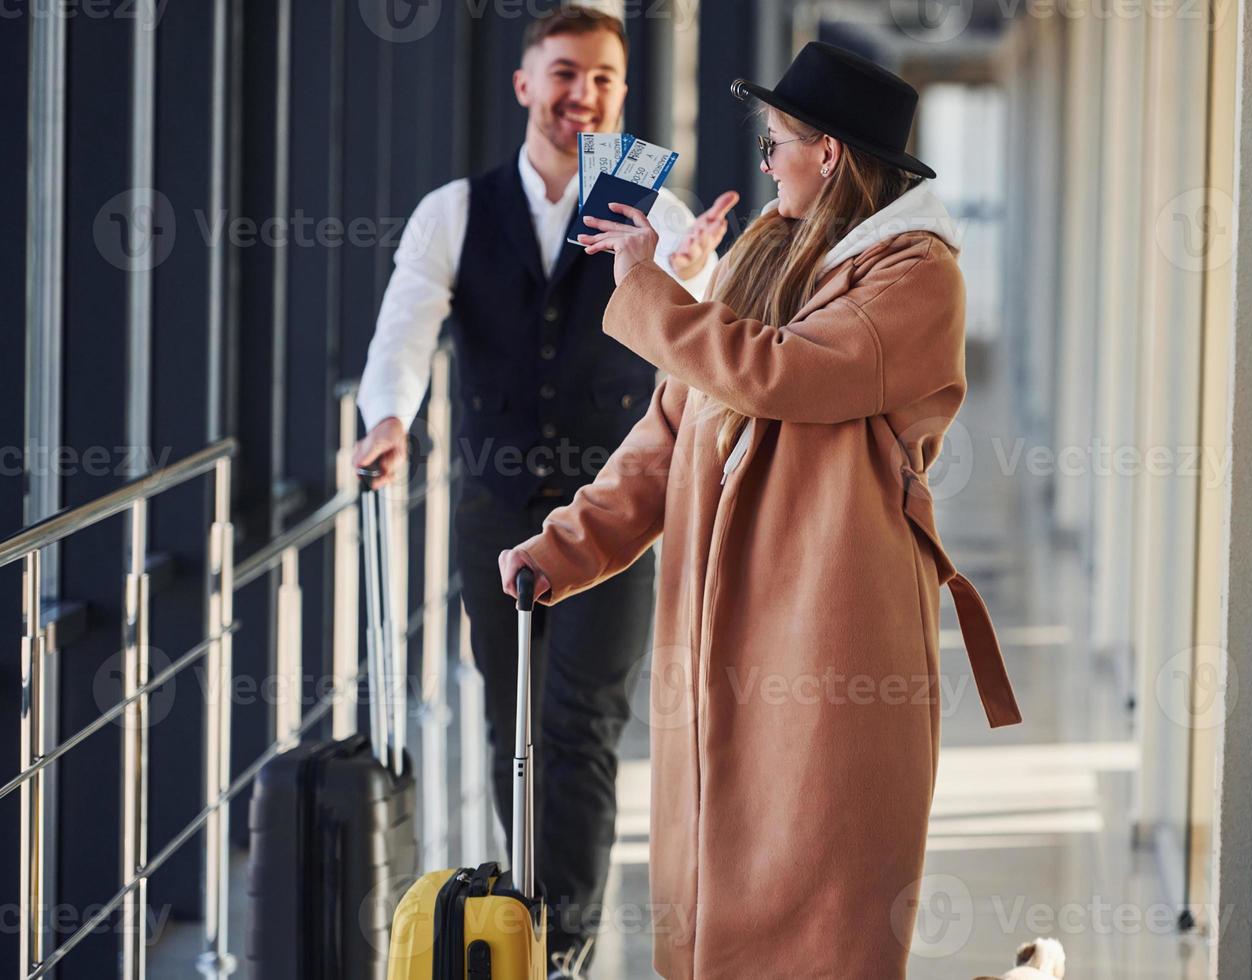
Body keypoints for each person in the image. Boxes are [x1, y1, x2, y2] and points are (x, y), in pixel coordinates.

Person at [499, 40, 1022, 979]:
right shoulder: (768, 251)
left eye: (780, 140)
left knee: (823, 878)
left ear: (829, 154)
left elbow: (784, 374)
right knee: (721, 877)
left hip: (833, 624)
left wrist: (648, 290)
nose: (768, 158)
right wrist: (564, 545)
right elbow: (672, 428)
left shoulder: (915, 274)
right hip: (724, 628)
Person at [351, 7, 736, 974]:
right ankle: (527, 917)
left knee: (583, 723)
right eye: (565, 73)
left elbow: (712, 347)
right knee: (507, 718)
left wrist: (689, 277)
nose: (584, 94)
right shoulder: (454, 210)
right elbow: (405, 328)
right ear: (526, 85)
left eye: (604, 79)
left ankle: (564, 939)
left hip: (619, 516)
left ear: (620, 95)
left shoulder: (659, 214)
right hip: (494, 507)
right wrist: (388, 417)